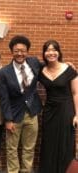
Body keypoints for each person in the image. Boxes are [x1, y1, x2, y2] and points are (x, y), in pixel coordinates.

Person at [0, 35, 43, 173]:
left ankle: (26, 170)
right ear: (12, 51)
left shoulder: (34, 62)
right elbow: (3, 98)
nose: (20, 53)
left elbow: (50, 64)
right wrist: (8, 119)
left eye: (23, 50)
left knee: (29, 148)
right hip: (14, 115)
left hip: (32, 113)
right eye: (16, 50)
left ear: (27, 51)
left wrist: (65, 63)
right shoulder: (5, 72)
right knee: (12, 149)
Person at [38, 40, 78, 173]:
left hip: (66, 110)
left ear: (59, 52)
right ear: (44, 53)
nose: (51, 53)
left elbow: (75, 93)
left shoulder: (69, 69)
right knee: (49, 143)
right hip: (49, 111)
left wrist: (77, 114)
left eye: (54, 50)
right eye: (48, 50)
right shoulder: (40, 70)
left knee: (65, 143)